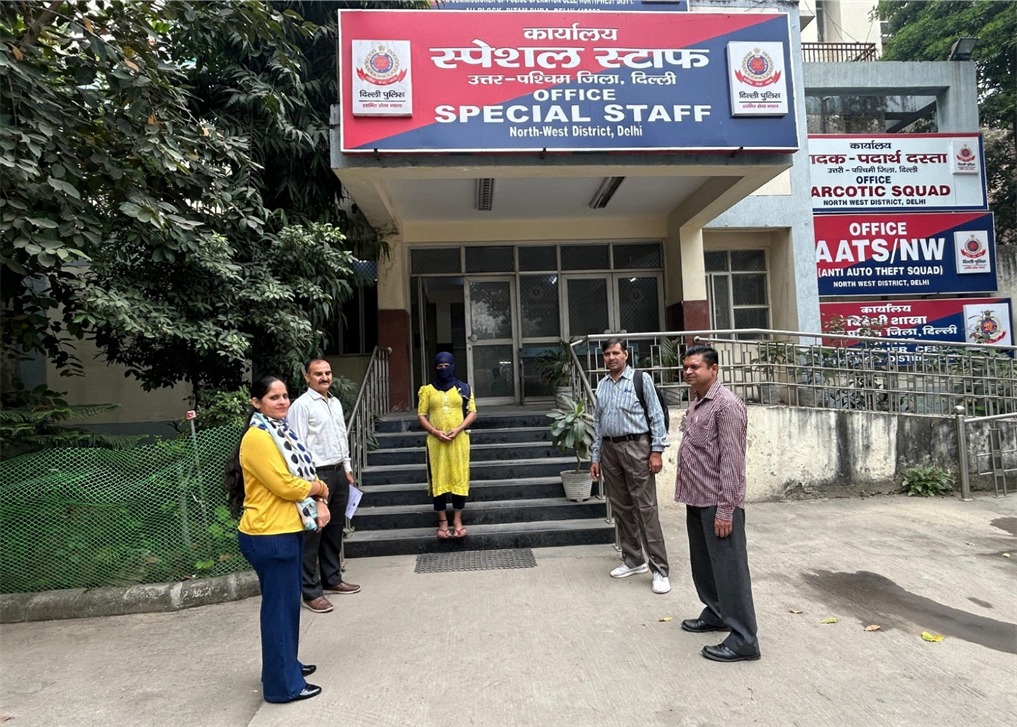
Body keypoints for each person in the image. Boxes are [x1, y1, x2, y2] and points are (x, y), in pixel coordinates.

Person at [224, 375, 331, 703]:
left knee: (286, 607)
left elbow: (301, 473)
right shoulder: (258, 437)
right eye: (274, 397)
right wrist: (320, 488)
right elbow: (285, 484)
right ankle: (283, 686)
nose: (283, 401)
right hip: (270, 534)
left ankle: (286, 667)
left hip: (284, 530)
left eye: (285, 395)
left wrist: (317, 492)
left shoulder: (279, 431)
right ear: (256, 402)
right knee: (279, 610)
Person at [674, 345, 760, 662]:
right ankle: (716, 612)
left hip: (718, 503)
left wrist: (726, 510)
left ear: (714, 369)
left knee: (730, 571)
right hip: (695, 498)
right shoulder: (698, 401)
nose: (688, 372)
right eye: (686, 367)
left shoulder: (727, 406)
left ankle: (744, 639)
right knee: (705, 565)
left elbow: (732, 463)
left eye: (695, 367)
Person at [589, 338, 671, 595]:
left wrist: (656, 451)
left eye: (616, 352)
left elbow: (656, 415)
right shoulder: (602, 385)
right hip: (610, 450)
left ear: (626, 354)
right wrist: (595, 456)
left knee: (645, 508)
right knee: (621, 507)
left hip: (637, 447)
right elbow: (598, 422)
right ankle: (634, 560)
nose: (611, 357)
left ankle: (659, 570)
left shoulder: (640, 379)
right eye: (607, 354)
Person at [288, 358, 360, 614]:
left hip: (338, 472)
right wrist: (310, 483)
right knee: (313, 532)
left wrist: (347, 468)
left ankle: (332, 578)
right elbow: (297, 446)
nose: (324, 377)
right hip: (316, 475)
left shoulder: (335, 402)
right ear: (307, 377)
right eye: (318, 373)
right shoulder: (301, 406)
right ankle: (310, 591)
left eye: (327, 373)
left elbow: (341, 436)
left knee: (334, 529)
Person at [417, 352, 477, 539]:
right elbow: (421, 415)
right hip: (436, 443)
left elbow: (472, 412)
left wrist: (459, 428)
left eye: (446, 366)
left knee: (459, 477)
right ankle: (442, 522)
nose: (443, 369)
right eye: (439, 366)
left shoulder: (464, 388)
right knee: (439, 480)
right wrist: (435, 431)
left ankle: (457, 520)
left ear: (453, 366)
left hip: (459, 441)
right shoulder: (427, 390)